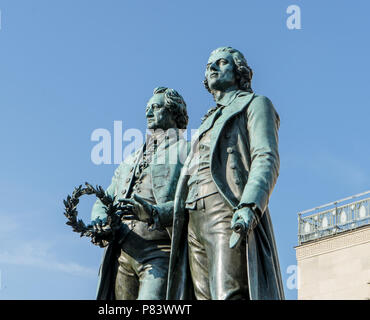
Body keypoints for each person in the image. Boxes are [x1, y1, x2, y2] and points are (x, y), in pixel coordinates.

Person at [167, 47, 285, 300]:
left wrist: (250, 205)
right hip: (193, 218)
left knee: (228, 294)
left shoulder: (256, 104)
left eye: (221, 63)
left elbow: (266, 157)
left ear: (239, 71)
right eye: (209, 65)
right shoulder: (207, 120)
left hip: (226, 208)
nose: (212, 68)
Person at [91, 87, 189, 300]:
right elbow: (105, 198)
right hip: (123, 254)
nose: (148, 113)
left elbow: (194, 204)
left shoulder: (188, 152)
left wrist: (154, 212)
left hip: (160, 253)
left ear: (174, 112)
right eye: (147, 108)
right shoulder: (130, 159)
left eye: (155, 107)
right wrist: (99, 220)